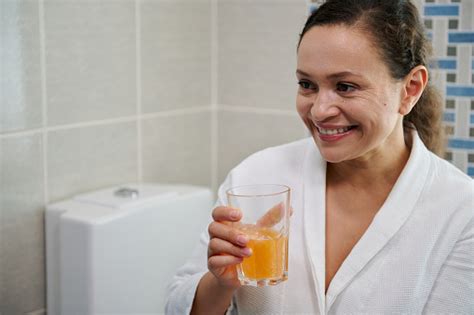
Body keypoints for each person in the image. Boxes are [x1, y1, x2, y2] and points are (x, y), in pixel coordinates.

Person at [166, 0, 474, 313]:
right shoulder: (255, 176)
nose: (319, 110)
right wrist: (221, 283)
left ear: (410, 89)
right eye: (307, 85)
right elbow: (178, 304)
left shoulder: (462, 212)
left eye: (345, 86)